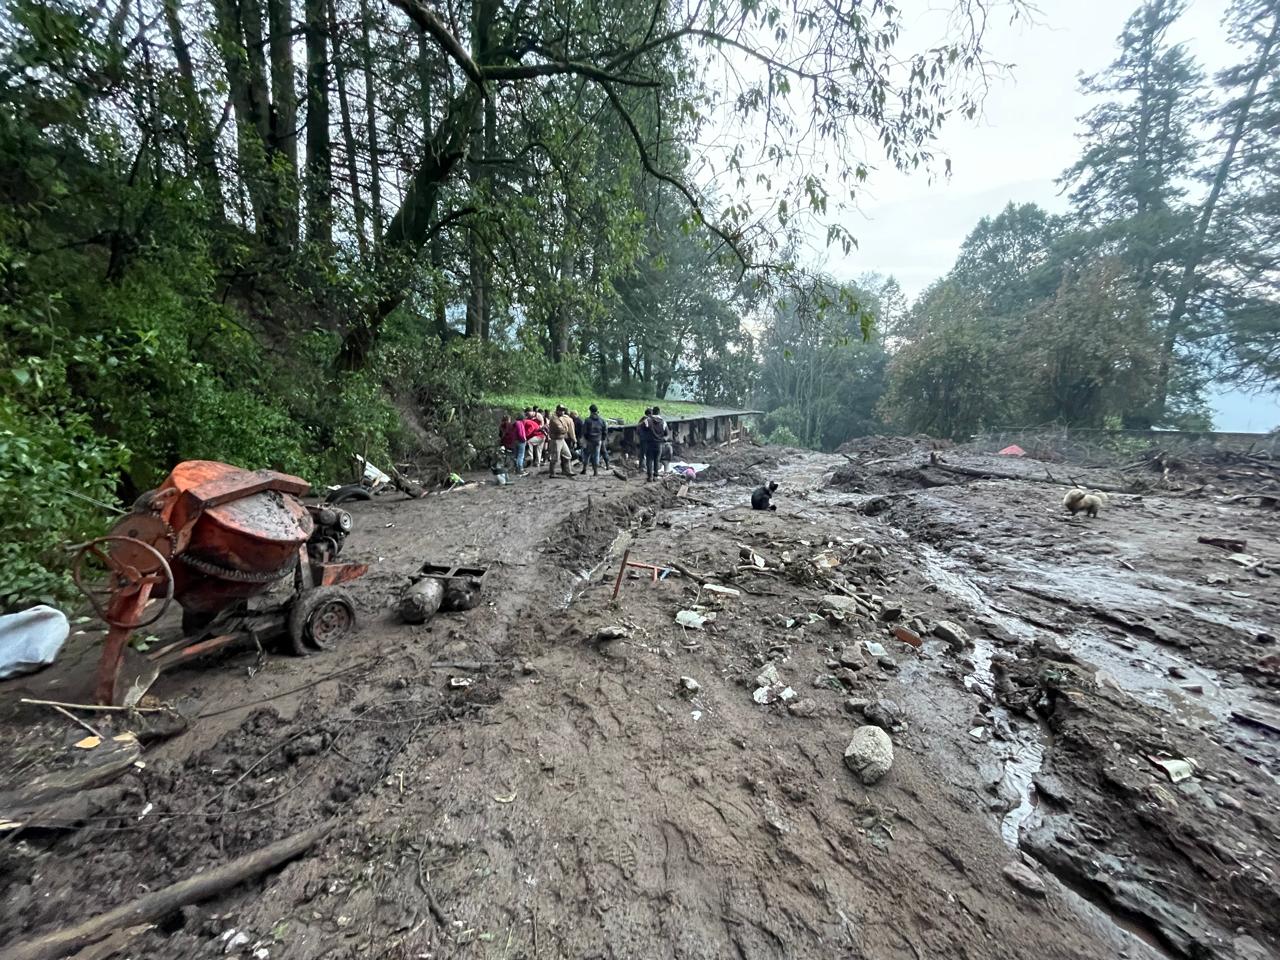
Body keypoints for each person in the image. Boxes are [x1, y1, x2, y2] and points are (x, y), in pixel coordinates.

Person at [544, 404, 577, 477]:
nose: (562, 412)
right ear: (557, 411)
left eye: (563, 411)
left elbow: (564, 428)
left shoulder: (561, 418)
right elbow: (560, 429)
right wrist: (565, 429)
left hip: (561, 439)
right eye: (561, 411)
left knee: (568, 455)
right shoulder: (554, 419)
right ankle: (552, 473)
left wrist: (565, 429)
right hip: (556, 440)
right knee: (555, 458)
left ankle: (567, 470)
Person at [579, 404, 608, 476]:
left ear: (590, 411)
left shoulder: (587, 420)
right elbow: (605, 431)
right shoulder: (602, 420)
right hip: (598, 440)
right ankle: (595, 472)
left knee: (586, 455)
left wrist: (585, 439)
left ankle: (584, 469)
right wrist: (602, 438)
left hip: (589, 440)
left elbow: (584, 431)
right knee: (596, 455)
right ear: (597, 411)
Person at [641, 405, 666, 482]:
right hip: (659, 444)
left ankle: (650, 476)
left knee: (649, 460)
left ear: (652, 412)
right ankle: (656, 475)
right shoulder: (663, 422)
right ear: (659, 412)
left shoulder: (647, 420)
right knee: (656, 460)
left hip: (650, 443)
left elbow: (642, 428)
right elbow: (666, 433)